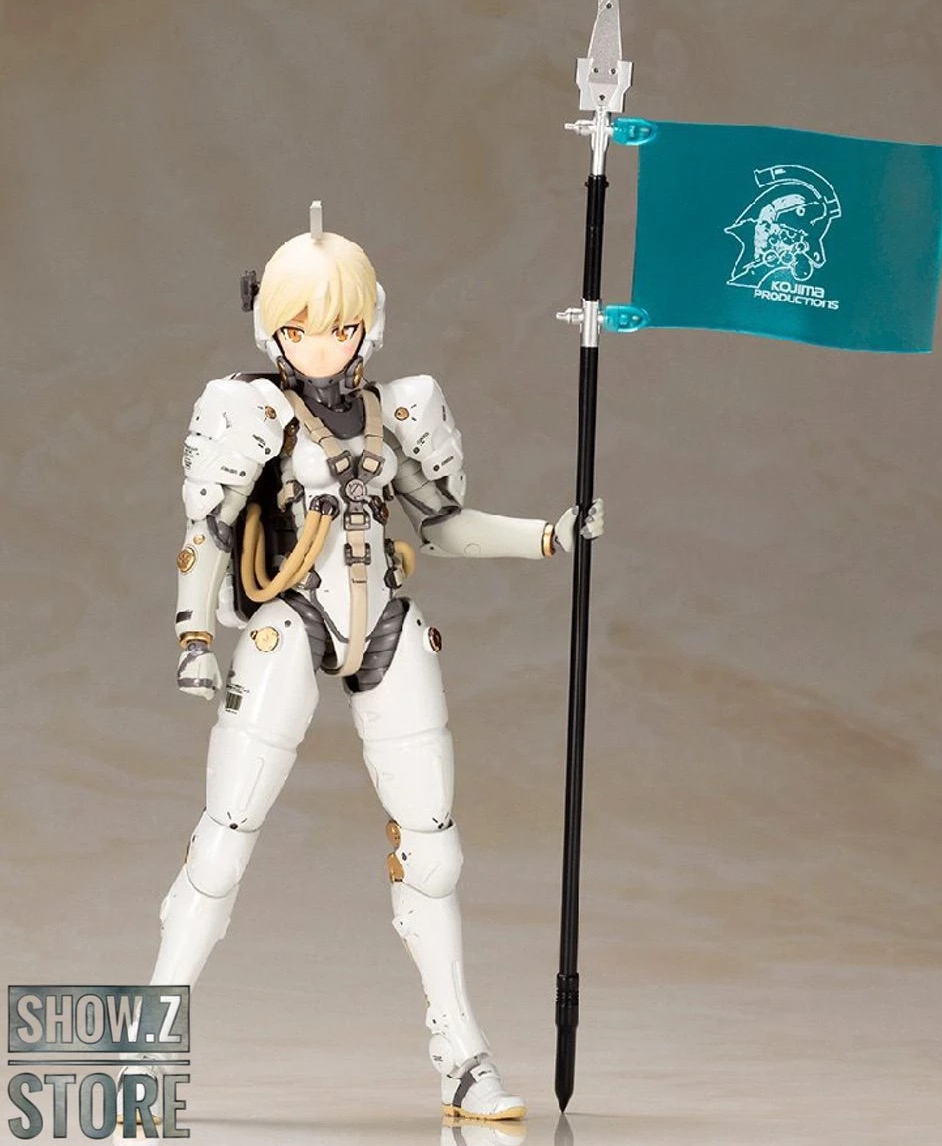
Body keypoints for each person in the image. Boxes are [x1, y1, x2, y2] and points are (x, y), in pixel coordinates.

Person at [133, 210, 602, 1122]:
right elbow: (208, 532)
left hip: (384, 620)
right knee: (224, 836)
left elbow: (446, 527)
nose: (322, 344)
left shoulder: (403, 410)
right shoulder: (250, 410)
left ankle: (461, 1055)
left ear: (369, 323)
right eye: (302, 326)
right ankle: (146, 1052)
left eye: (341, 325)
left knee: (434, 848)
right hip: (291, 620)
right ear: (272, 327)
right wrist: (193, 638)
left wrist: (550, 535)